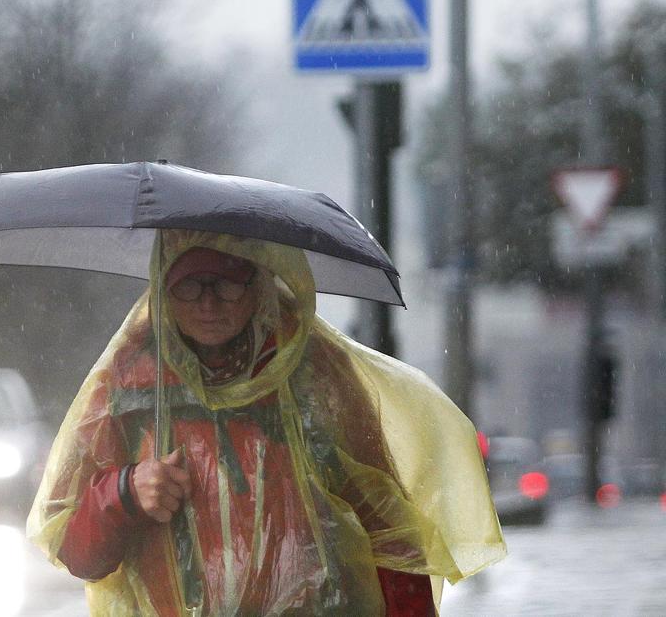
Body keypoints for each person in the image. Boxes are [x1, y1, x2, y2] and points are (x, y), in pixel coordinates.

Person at [27, 230, 505, 616]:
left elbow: (384, 525)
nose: (208, 303)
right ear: (163, 287)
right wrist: (127, 492)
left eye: (226, 282)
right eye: (190, 285)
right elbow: (78, 553)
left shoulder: (316, 374)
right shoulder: (127, 387)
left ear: (257, 283)